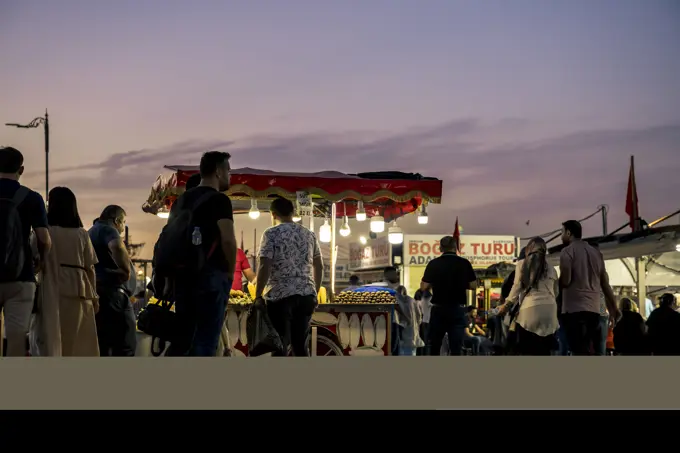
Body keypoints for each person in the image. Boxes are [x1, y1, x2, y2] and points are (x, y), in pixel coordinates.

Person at [166, 151, 237, 356]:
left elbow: (170, 239)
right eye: (228, 171)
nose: (229, 176)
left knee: (185, 340)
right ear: (217, 171)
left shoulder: (180, 201)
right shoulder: (220, 200)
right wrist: (230, 274)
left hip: (183, 280)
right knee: (205, 342)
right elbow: (228, 240)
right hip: (211, 278)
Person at [255, 197, 324, 356]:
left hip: (280, 296)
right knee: (300, 347)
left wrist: (258, 295)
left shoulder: (271, 233)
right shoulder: (309, 234)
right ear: (293, 212)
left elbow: (265, 265)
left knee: (280, 345)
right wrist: (315, 292)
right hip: (306, 295)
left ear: (273, 214)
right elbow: (319, 265)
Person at [0, 146, 52, 357]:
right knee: (16, 339)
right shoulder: (31, 198)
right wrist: (41, 262)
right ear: (21, 170)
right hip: (20, 276)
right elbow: (44, 239)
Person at [37, 187, 100, 356]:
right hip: (79, 289)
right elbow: (90, 268)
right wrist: (95, 298)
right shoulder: (82, 234)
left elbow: (35, 261)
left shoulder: (44, 232)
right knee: (77, 342)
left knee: (50, 339)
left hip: (50, 287)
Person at [559, 220, 620, 356]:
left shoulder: (567, 251)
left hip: (573, 310)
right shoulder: (596, 254)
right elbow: (605, 284)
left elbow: (566, 280)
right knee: (591, 350)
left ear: (569, 233)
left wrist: (556, 285)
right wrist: (614, 308)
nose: (561, 236)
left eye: (562, 233)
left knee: (578, 350)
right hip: (594, 310)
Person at [498, 237, 559, 356]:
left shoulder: (522, 264)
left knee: (527, 350)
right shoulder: (552, 268)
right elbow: (556, 293)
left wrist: (505, 306)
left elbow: (516, 288)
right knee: (544, 351)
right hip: (550, 312)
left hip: (530, 311)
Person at [89, 205, 135, 356]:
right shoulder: (108, 230)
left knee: (101, 344)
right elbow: (116, 245)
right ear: (116, 220)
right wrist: (125, 270)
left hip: (97, 292)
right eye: (123, 223)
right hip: (114, 295)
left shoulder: (90, 232)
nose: (122, 229)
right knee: (125, 344)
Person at [420, 236, 477, 356]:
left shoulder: (433, 264)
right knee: (456, 347)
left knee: (435, 345)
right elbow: (473, 285)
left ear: (440, 248)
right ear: (456, 247)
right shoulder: (464, 263)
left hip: (439, 309)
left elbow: (424, 287)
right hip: (457, 309)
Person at [396, 286, 423, 356]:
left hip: (403, 337)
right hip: (414, 336)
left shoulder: (398, 303)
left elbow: (398, 320)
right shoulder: (414, 302)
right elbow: (419, 319)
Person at [414, 289, 432, 356]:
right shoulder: (428, 300)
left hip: (419, 324)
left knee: (420, 344)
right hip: (426, 323)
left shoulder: (416, 303)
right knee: (426, 344)